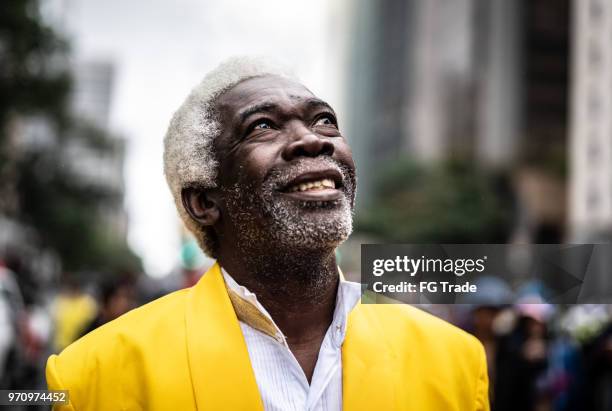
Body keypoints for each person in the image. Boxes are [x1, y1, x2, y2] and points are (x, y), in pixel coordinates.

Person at [46, 57, 490, 410]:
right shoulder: (91, 380)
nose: (315, 140)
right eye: (262, 126)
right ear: (204, 201)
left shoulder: (454, 361)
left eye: (324, 120)